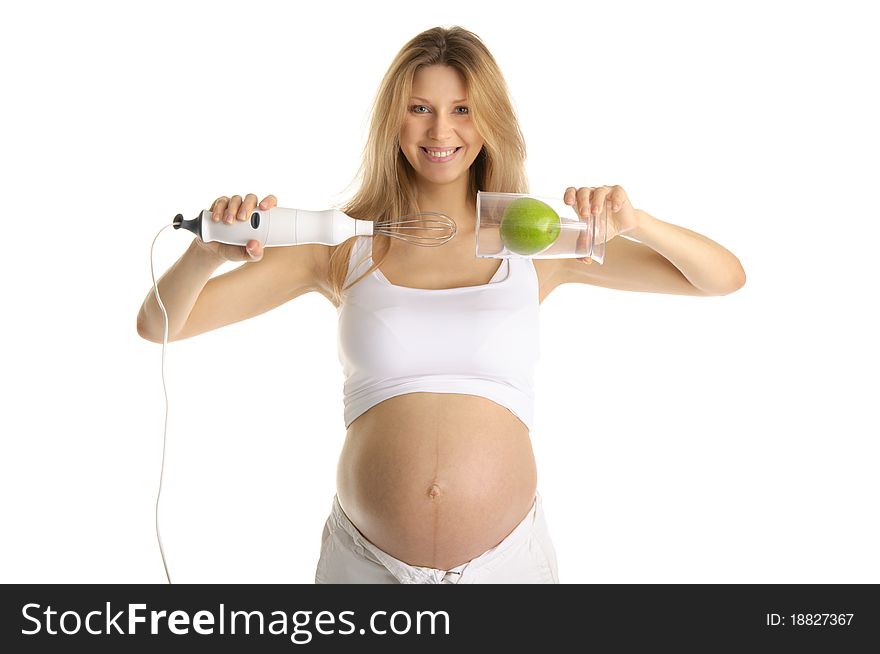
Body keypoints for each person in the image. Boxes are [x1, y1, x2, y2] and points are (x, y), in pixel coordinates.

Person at [136, 26, 745, 584]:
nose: (440, 131)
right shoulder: (344, 246)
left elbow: (719, 278)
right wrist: (210, 251)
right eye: (419, 109)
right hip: (365, 567)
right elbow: (159, 323)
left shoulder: (536, 242)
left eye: (461, 110)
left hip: (508, 566)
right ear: (392, 121)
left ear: (489, 122)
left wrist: (637, 222)